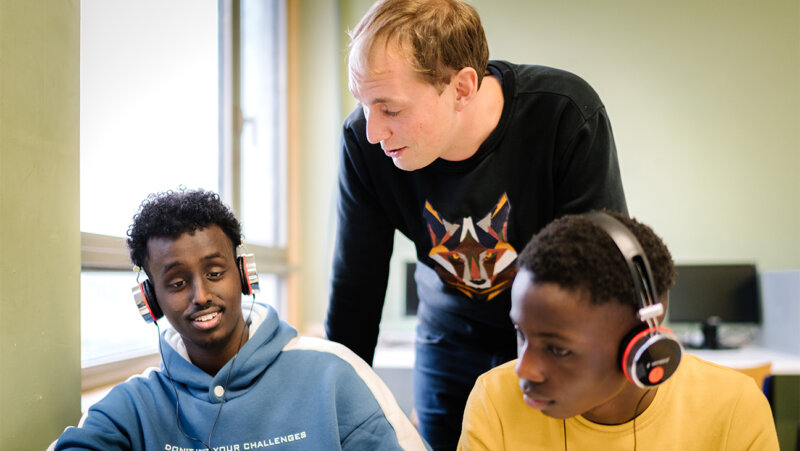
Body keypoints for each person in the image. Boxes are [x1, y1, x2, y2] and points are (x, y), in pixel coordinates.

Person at [325, 0, 627, 448]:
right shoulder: (364, 145)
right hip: (448, 340)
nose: (372, 131)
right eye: (364, 105)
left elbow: (597, 273)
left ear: (463, 87)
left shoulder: (564, 115)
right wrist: (335, 408)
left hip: (549, 335)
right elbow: (357, 286)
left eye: (389, 109)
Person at [50, 189, 429, 450]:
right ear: (152, 299)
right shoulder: (134, 406)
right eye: (178, 283)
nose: (201, 296)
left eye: (215, 273)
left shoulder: (333, 373)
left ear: (243, 274)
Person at [457, 211, 780, 450]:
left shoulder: (735, 406)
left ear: (641, 345)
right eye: (521, 334)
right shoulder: (493, 399)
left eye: (558, 349)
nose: (524, 369)